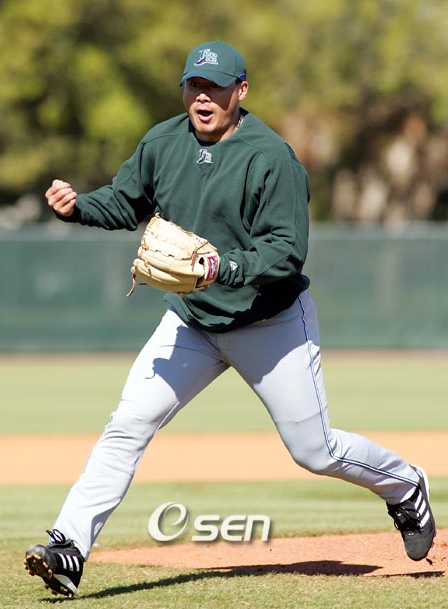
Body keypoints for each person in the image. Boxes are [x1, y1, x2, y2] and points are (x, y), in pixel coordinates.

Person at [25, 40, 435, 597]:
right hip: (192, 321)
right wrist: (79, 207)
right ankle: (69, 548)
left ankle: (405, 485)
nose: (202, 97)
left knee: (313, 450)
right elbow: (126, 201)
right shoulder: (163, 142)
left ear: (240, 91)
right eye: (194, 86)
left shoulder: (271, 157)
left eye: (215, 87)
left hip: (270, 322)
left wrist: (226, 265)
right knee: (128, 425)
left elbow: (287, 250)